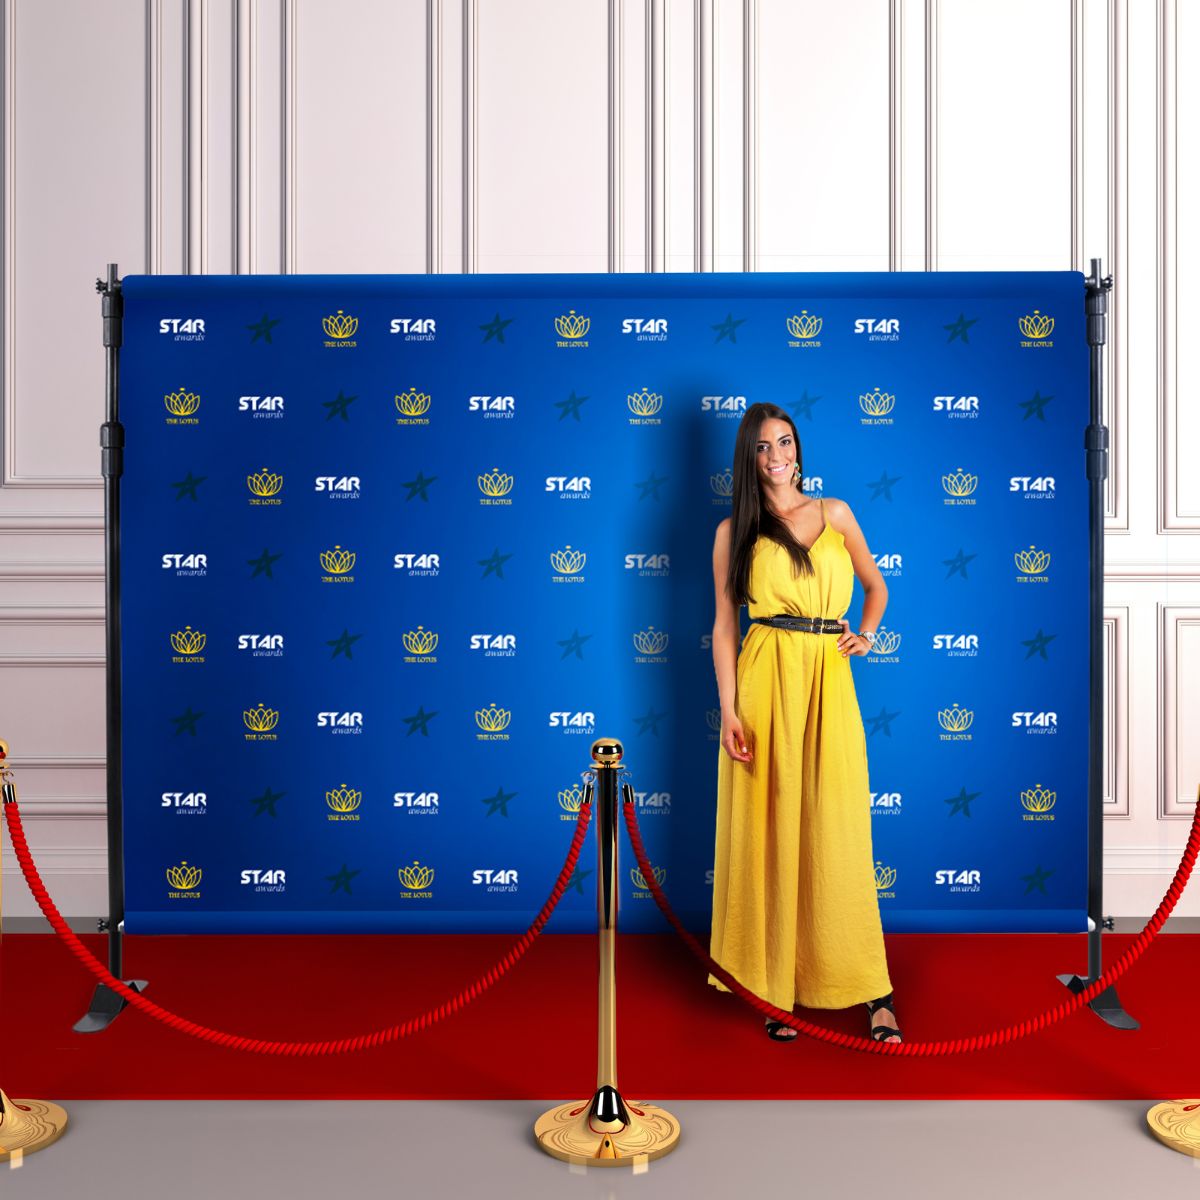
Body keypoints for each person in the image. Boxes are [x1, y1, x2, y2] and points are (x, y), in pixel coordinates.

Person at [707, 402, 902, 1044]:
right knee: (771, 830)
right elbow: (726, 627)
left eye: (785, 441)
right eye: (763, 446)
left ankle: (870, 987)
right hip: (766, 681)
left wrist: (866, 637)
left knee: (836, 826)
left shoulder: (836, 512)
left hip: (827, 676)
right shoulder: (733, 530)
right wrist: (730, 709)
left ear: (798, 448)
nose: (777, 455)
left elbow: (876, 587)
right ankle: (773, 985)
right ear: (750, 457)